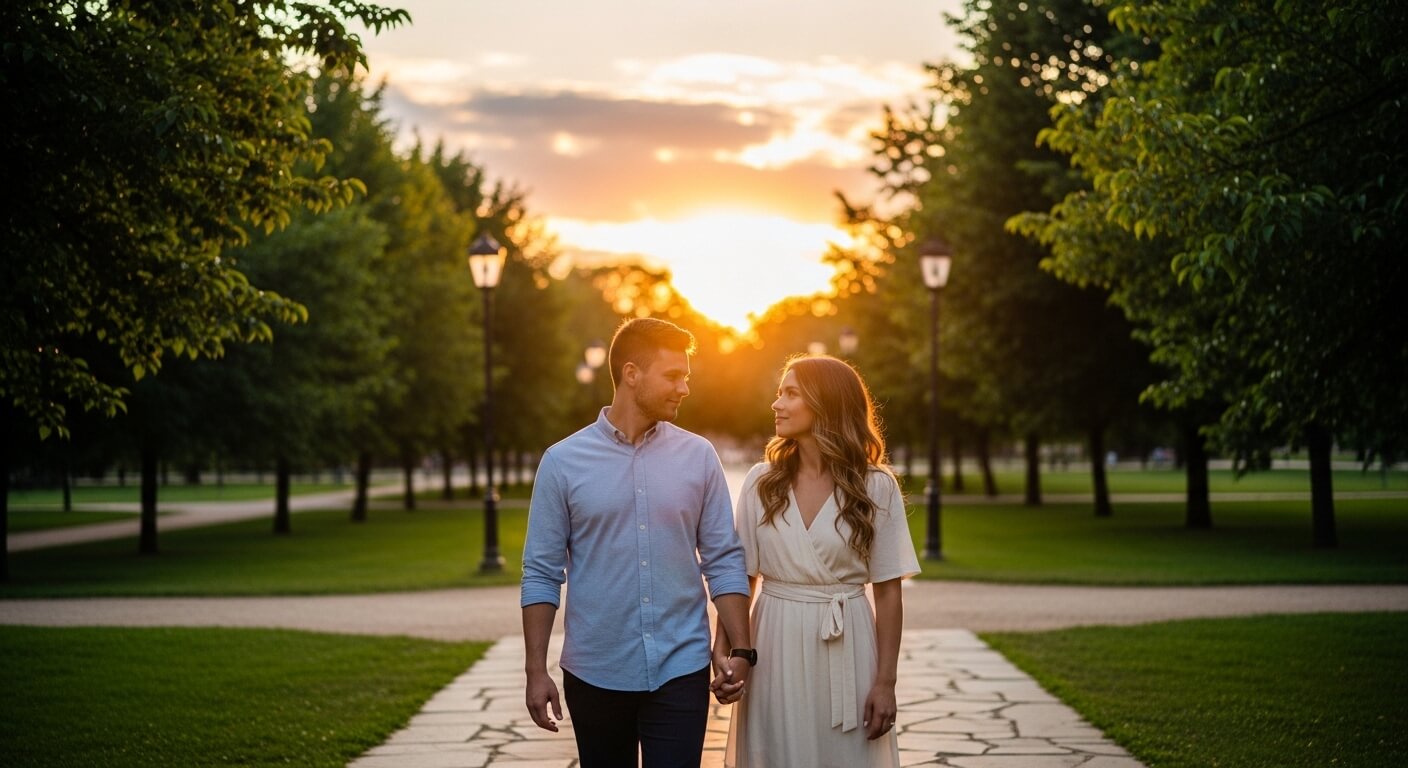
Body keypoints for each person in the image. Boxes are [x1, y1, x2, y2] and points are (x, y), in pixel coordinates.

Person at [521, 317, 755, 768]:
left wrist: (740, 650)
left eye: (685, 377)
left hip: (680, 668)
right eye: (673, 376)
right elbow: (542, 573)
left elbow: (723, 559)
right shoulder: (563, 462)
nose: (684, 388)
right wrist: (536, 670)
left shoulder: (698, 456)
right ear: (632, 374)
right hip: (595, 672)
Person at [718, 354, 920, 768]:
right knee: (777, 752)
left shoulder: (876, 487)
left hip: (849, 642)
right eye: (779, 393)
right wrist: (726, 651)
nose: (777, 404)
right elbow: (741, 578)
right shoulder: (761, 482)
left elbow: (888, 593)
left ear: (825, 402)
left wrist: (886, 682)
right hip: (774, 639)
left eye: (790, 393)